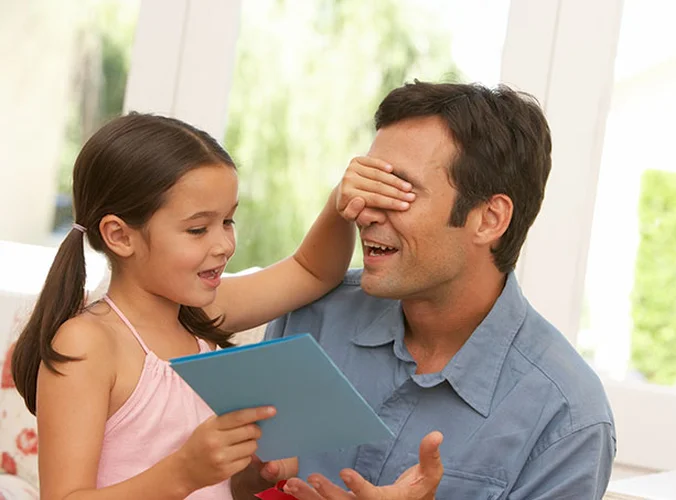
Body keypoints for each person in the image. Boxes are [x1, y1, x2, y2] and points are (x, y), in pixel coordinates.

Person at [231, 81, 616, 499]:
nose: (362, 211)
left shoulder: (567, 418)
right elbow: (237, 488)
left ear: (489, 218)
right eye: (366, 183)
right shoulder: (311, 314)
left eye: (398, 192)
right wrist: (249, 474)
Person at [10, 112, 415, 499]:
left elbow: (311, 272)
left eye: (228, 222)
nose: (223, 245)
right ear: (119, 236)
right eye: (198, 229)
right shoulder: (89, 343)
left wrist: (340, 205)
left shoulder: (199, 316)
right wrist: (183, 471)